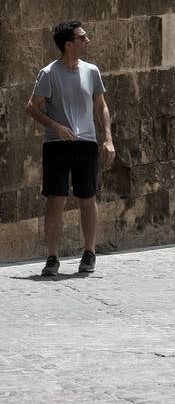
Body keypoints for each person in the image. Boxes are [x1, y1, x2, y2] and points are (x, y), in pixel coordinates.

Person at [26, 21, 115, 276]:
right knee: (56, 200)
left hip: (86, 143)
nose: (88, 41)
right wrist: (55, 126)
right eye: (83, 37)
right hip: (57, 145)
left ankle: (89, 252)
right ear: (68, 44)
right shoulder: (49, 73)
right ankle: (52, 258)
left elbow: (102, 107)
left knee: (87, 198)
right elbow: (31, 106)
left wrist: (108, 139)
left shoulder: (92, 71)